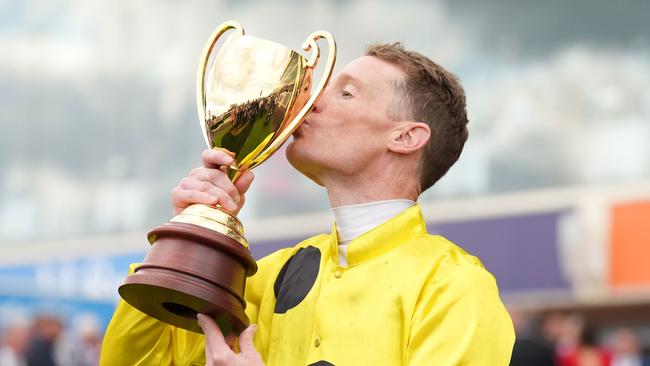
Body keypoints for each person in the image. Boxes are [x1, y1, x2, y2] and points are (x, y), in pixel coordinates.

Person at [101, 42, 515, 365]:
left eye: (346, 93)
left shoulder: (454, 286)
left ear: (406, 137)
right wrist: (187, 233)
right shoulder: (266, 275)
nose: (309, 101)